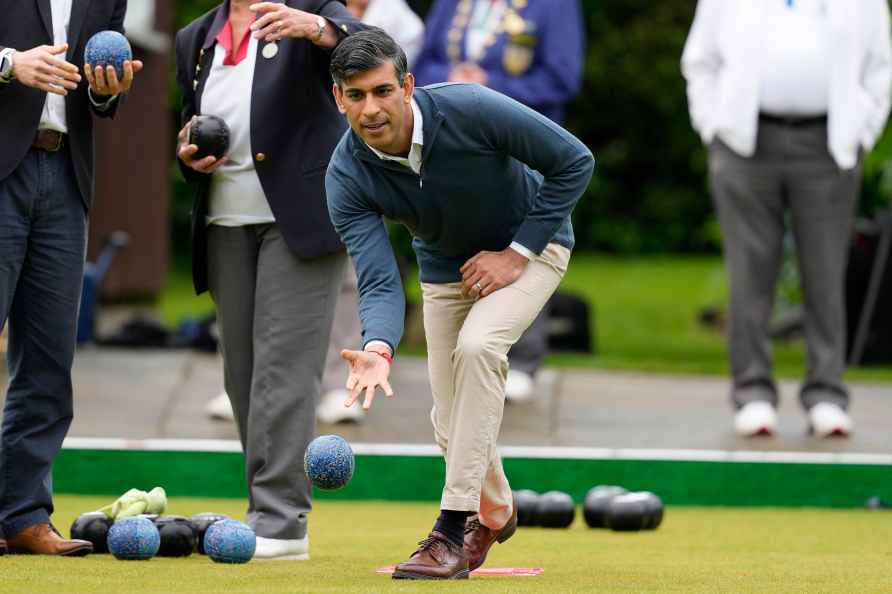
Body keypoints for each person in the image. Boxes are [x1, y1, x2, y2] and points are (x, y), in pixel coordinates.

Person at [326, 29, 594, 579]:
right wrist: (377, 345)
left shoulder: (470, 108)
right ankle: (496, 510)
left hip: (534, 247)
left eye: (381, 91)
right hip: (448, 273)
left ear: (406, 85)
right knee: (449, 424)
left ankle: (450, 532)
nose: (371, 109)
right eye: (355, 96)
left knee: (478, 347)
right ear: (338, 99)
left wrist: (517, 252)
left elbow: (574, 160)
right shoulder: (345, 175)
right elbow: (379, 280)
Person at [174, 0, 363, 560]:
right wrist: (188, 153)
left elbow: (376, 51)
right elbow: (192, 120)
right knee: (242, 375)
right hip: (225, 220)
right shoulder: (194, 37)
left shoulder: (309, 12)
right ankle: (264, 507)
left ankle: (281, 523)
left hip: (299, 220)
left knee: (285, 370)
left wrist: (321, 29)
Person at [681, 0, 892, 438]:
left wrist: (862, 131)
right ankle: (753, 393)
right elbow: (700, 61)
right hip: (744, 143)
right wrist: (712, 127)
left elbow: (880, 68)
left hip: (828, 145)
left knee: (825, 271)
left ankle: (827, 395)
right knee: (749, 271)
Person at [0, 0, 142, 556]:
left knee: (49, 359)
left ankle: (23, 516)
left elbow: (104, 94)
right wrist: (10, 63)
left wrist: (109, 87)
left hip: (65, 175)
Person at [414, 0, 585, 400]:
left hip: (524, 142)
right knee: (464, 235)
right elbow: (419, 63)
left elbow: (562, 77)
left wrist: (488, 89)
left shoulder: (554, 6)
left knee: (525, 243)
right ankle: (464, 351)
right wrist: (454, 79)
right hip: (457, 146)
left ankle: (523, 358)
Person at [315, 0, 426, 425]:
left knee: (355, 276)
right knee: (356, 266)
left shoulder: (397, 18)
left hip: (400, 152)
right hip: (334, 160)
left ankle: (342, 380)